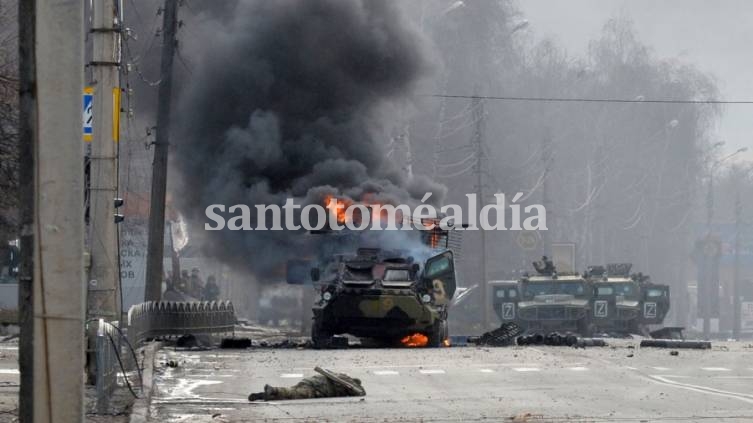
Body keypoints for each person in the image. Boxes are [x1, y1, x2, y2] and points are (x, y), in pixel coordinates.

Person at [248, 369, 365, 401]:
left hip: (310, 382)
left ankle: (266, 395)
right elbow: (360, 392)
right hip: (317, 389)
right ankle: (273, 390)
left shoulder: (338, 375)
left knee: (292, 393)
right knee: (294, 393)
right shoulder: (348, 382)